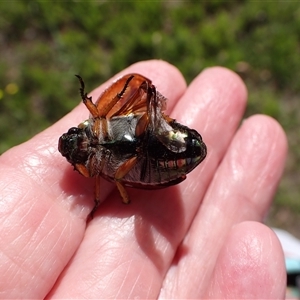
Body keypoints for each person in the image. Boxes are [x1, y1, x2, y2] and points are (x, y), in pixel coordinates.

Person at [0, 60, 287, 299]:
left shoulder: (97, 122)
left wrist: (99, 103)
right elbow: (101, 183)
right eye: (77, 154)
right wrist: (108, 188)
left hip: (151, 132)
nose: (81, 147)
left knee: (136, 101)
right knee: (121, 175)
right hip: (151, 164)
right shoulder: (95, 169)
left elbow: (105, 110)